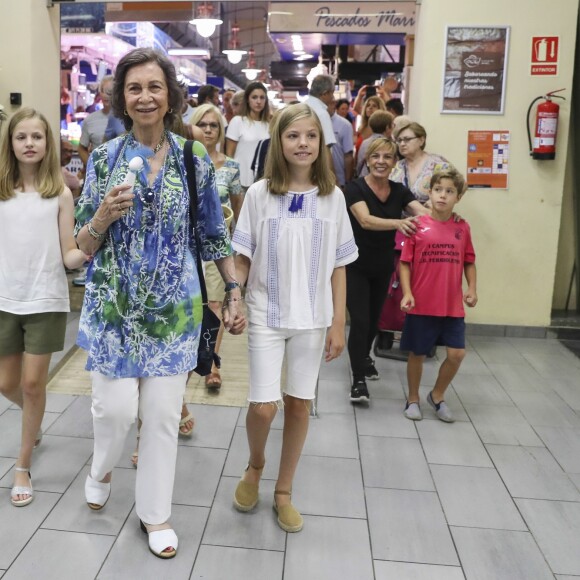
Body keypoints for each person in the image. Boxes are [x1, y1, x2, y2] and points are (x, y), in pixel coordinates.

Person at [74, 47, 245, 560]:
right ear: (121, 98)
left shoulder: (194, 158)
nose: (145, 96)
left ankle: (155, 513)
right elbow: (82, 245)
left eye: (154, 86)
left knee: (163, 414)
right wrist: (102, 214)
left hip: (174, 312)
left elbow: (214, 234)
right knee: (117, 410)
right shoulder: (104, 158)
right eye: (134, 88)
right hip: (113, 310)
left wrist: (232, 291)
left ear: (170, 94)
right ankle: (102, 463)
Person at [231, 103, 358, 533]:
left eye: (310, 136)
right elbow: (243, 256)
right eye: (292, 136)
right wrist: (234, 295)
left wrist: (338, 322)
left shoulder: (333, 197)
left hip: (313, 317)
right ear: (278, 142)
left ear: (321, 143)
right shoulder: (258, 194)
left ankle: (283, 491)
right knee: (264, 408)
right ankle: (255, 464)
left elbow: (340, 266)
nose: (302, 143)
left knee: (300, 405)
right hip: (265, 312)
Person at [0, 108, 87, 507]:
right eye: (22, 137)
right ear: (11, 144)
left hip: (46, 300)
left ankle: (22, 464)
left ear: (48, 144)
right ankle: (33, 421)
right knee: (6, 384)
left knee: (34, 385)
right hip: (4, 300)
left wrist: (88, 247)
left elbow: (69, 251)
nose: (30, 143)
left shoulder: (61, 194)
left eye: (37, 136)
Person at [344, 138, 429, 403]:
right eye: (375, 156)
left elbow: (422, 213)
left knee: (373, 321)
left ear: (394, 162)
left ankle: (365, 356)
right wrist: (398, 223)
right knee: (359, 321)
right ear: (367, 160)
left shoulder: (399, 190)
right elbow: (365, 220)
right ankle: (358, 379)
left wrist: (447, 216)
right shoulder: (353, 188)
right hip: (353, 265)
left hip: (382, 266)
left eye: (387, 157)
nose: (381, 161)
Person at [400, 169, 477, 422]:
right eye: (438, 190)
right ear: (430, 192)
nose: (442, 195)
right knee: (418, 353)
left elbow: (469, 261)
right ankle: (413, 398)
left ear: (458, 197)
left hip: (451, 306)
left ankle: (437, 394)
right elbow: (405, 263)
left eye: (449, 191)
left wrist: (472, 288)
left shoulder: (462, 227)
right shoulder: (416, 226)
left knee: (457, 354)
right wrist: (408, 292)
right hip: (421, 303)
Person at [191, 103, 243, 389]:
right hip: (186, 244)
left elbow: (237, 206)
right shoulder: (183, 160)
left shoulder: (231, 167)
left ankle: (211, 361)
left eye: (214, 125)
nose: (209, 130)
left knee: (213, 303)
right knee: (193, 304)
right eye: (204, 124)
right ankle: (190, 354)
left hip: (217, 245)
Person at [390, 121, 451, 205]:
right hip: (399, 217)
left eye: (407, 139)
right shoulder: (396, 166)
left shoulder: (437, 163)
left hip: (429, 216)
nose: (402, 144)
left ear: (421, 140)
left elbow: (460, 186)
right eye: (399, 140)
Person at [225, 81, 270, 192]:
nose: (258, 101)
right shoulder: (238, 121)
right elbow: (229, 155)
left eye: (262, 97)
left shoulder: (269, 125)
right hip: (240, 181)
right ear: (248, 100)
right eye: (254, 97)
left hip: (262, 181)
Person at [77, 76, 115, 169]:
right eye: (103, 91)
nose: (106, 95)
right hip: (98, 177)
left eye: (110, 92)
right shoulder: (90, 120)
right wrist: (92, 167)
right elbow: (82, 148)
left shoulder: (128, 118)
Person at [304, 74, 337, 153]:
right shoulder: (322, 113)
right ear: (325, 93)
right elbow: (327, 145)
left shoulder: (302, 107)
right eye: (332, 93)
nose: (332, 97)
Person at [356, 110, 394, 178]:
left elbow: (359, 163)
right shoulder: (390, 145)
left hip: (364, 177)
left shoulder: (365, 142)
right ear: (387, 128)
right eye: (392, 125)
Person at [328, 98, 354, 188]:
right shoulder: (315, 121)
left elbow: (348, 156)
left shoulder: (345, 125)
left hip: (339, 180)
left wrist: (347, 182)